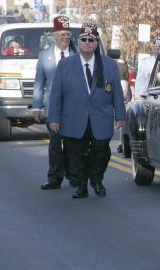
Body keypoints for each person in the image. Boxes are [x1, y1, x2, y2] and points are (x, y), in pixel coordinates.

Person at [48, 23, 126, 199]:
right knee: (75, 155)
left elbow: (117, 92)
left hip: (101, 117)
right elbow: (56, 94)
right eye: (84, 39)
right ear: (78, 41)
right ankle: (80, 185)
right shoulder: (65, 65)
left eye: (91, 40)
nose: (87, 43)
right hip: (74, 118)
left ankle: (96, 179)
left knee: (102, 152)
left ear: (97, 43)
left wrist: (120, 114)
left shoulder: (109, 65)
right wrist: (54, 118)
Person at [34, 15, 76, 190]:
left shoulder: (77, 54)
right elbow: (39, 82)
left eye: (68, 34)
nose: (65, 38)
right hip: (53, 107)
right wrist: (37, 106)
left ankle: (74, 176)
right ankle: (54, 178)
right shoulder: (45, 56)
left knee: (73, 143)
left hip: (74, 107)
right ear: (54, 36)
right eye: (62, 34)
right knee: (54, 143)